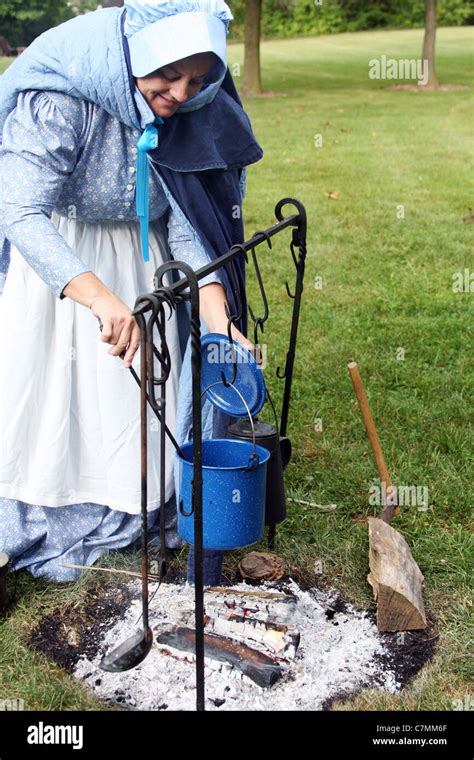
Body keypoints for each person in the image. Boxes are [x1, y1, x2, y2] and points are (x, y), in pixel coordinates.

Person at [0, 0, 263, 583]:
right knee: (59, 397)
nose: (179, 92)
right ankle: (52, 508)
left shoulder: (188, 111)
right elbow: (19, 209)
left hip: (146, 262)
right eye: (168, 74)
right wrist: (99, 298)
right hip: (64, 268)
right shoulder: (63, 101)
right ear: (132, 56)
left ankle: (135, 503)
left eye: (197, 80)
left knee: (137, 403)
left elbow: (184, 223)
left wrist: (216, 315)